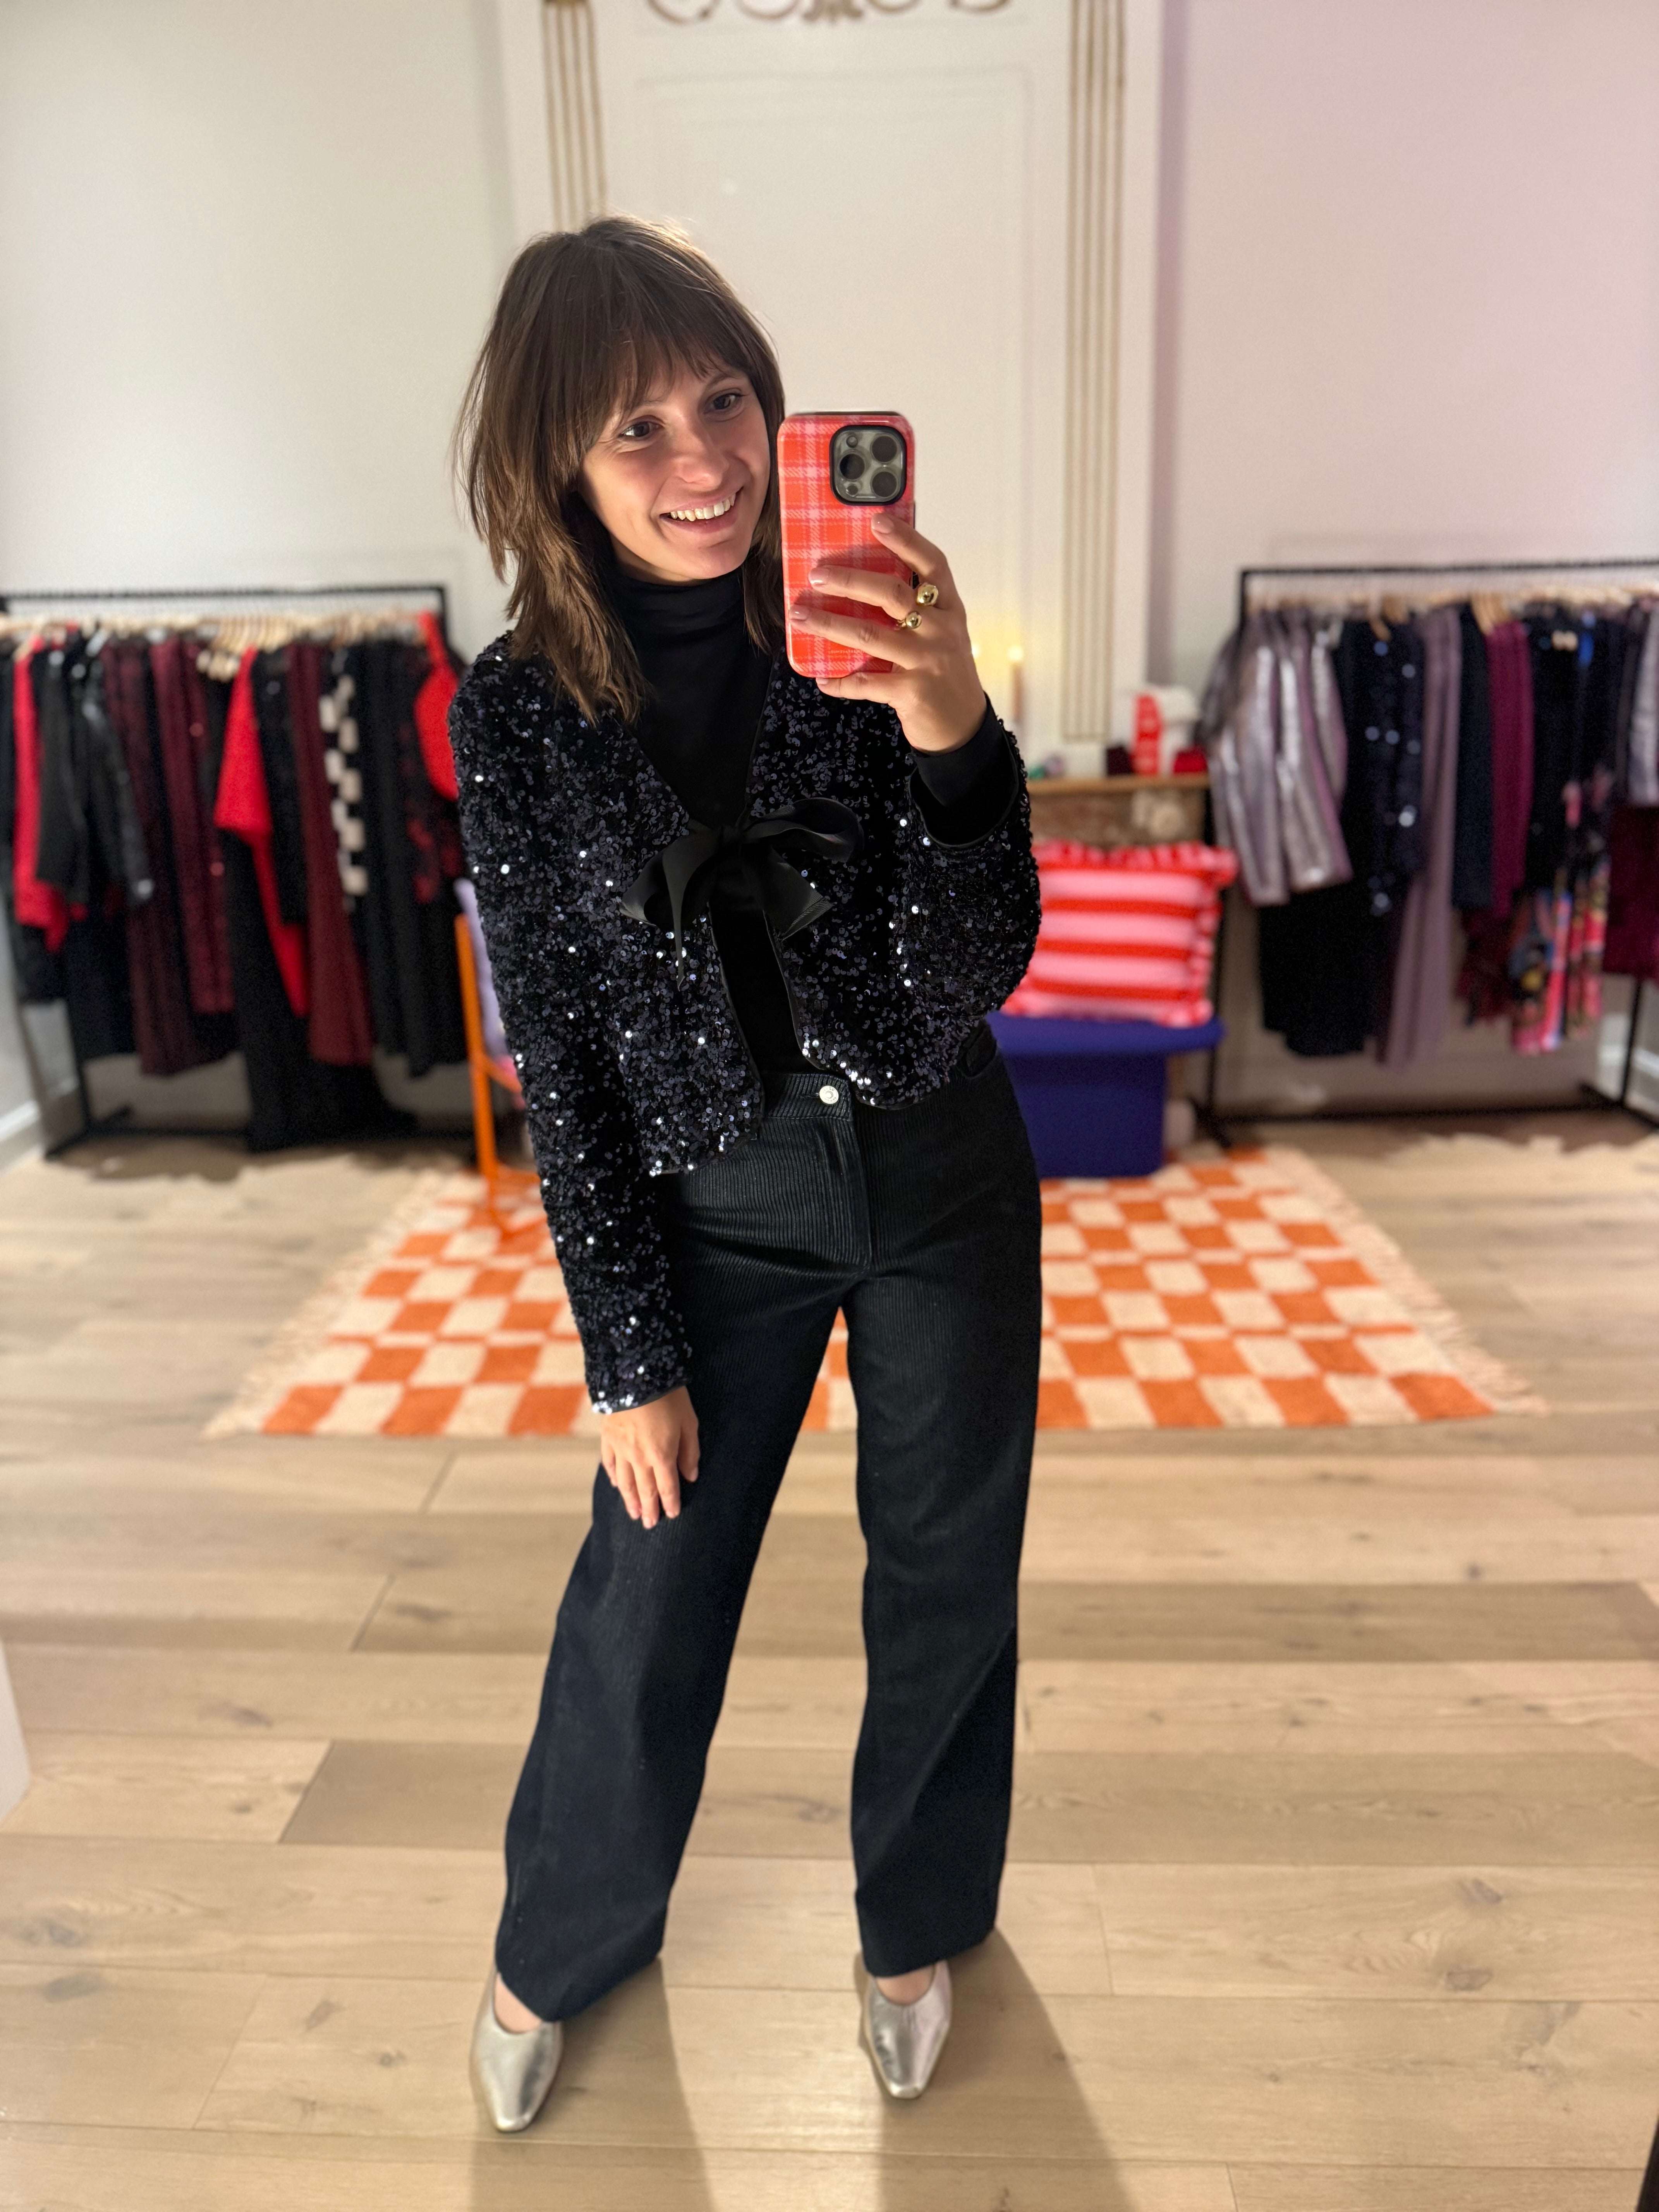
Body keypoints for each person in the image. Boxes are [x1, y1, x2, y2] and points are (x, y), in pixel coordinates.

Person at [450, 214, 1041, 2132]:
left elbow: (976, 967)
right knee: (650, 1587)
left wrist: (950, 731)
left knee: (950, 1568)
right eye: (636, 426)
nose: (703, 459)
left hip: (943, 1165)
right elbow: (560, 1060)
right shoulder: (516, 714)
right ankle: (562, 1942)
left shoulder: (857, 619)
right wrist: (626, 1353)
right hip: (716, 1204)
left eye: (724, 400)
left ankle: (916, 1923)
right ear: (555, 460)